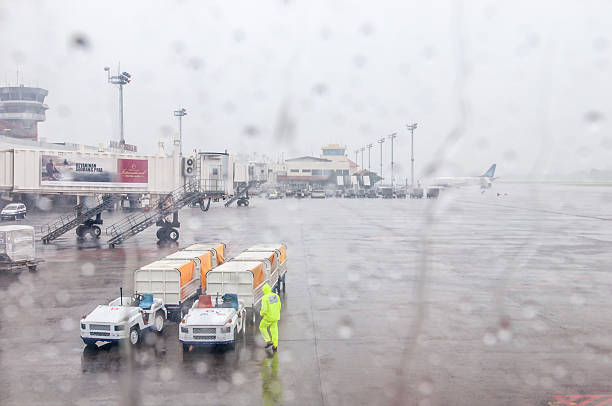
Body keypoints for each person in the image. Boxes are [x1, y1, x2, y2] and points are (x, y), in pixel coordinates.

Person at [259, 283, 281, 351]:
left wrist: (261, 313)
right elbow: (279, 305)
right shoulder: (275, 296)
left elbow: (264, 309)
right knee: (274, 330)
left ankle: (268, 341)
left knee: (262, 327)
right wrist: (276, 313)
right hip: (276, 316)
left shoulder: (265, 298)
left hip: (268, 317)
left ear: (265, 290)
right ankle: (275, 345)